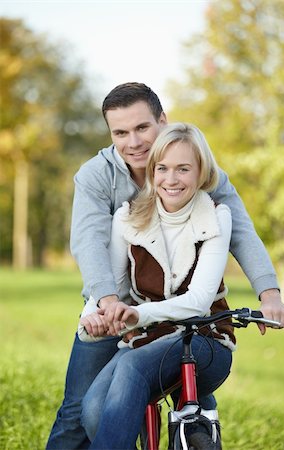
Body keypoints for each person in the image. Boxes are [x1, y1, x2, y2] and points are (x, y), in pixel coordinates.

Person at [46, 82, 284, 450]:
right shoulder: (97, 177)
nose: (133, 142)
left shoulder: (199, 167)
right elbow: (89, 242)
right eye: (120, 132)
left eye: (142, 127)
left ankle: (193, 430)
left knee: (187, 400)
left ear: (162, 120)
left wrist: (270, 293)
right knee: (81, 408)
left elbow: (238, 228)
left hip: (184, 314)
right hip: (112, 303)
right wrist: (108, 304)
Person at [79, 122, 234, 449]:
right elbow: (112, 283)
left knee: (135, 366)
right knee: (92, 410)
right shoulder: (128, 217)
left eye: (183, 169)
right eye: (162, 168)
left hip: (204, 341)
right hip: (147, 340)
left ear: (201, 171)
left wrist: (137, 314)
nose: (171, 179)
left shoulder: (217, 216)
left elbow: (199, 300)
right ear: (152, 170)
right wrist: (92, 313)